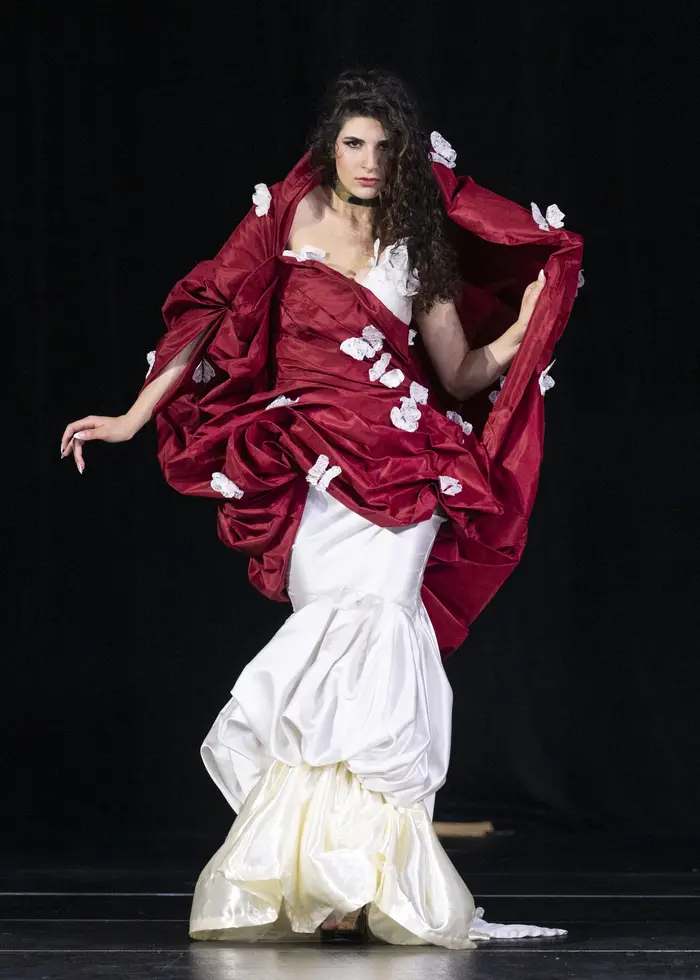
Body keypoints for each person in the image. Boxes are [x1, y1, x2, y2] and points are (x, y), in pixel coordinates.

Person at [60, 68, 582, 948]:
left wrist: (525, 324)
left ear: (405, 155)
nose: (370, 161)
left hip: (403, 471)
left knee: (378, 642)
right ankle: (331, 883)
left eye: (385, 146)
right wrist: (132, 416)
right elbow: (206, 316)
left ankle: (372, 879)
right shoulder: (288, 220)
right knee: (327, 670)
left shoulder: (421, 248)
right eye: (354, 143)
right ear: (328, 148)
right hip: (316, 472)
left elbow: (458, 377)